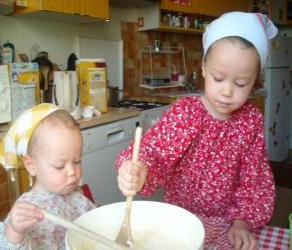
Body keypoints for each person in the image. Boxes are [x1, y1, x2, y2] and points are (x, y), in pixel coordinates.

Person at [116, 12, 278, 250]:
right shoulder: (186, 113)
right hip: (179, 221)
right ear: (203, 68)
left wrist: (242, 222)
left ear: (254, 81)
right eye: (218, 78)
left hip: (227, 224)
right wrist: (138, 169)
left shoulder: (250, 121)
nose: (227, 91)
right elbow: (153, 153)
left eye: (241, 83)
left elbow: (255, 180)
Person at [0, 103, 95, 249]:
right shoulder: (28, 208)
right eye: (59, 166)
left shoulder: (72, 193)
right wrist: (15, 231)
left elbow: (92, 223)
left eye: (77, 161)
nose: (72, 172)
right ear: (31, 165)